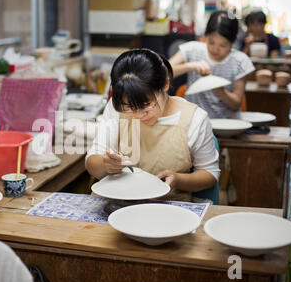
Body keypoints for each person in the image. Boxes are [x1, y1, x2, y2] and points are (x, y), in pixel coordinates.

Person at [85, 48, 220, 203]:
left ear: (165, 84)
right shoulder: (116, 108)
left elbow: (209, 175)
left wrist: (178, 180)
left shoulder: (194, 119)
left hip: (168, 205)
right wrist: (106, 165)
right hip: (117, 203)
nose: (138, 115)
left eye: (146, 105)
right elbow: (92, 162)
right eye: (129, 107)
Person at [169, 10, 255, 119]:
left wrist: (217, 87)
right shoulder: (192, 49)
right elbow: (163, 72)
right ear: (205, 36)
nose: (215, 49)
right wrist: (190, 66)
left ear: (232, 42)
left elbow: (236, 104)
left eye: (223, 45)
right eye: (211, 42)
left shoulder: (240, 61)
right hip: (194, 123)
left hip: (227, 125)